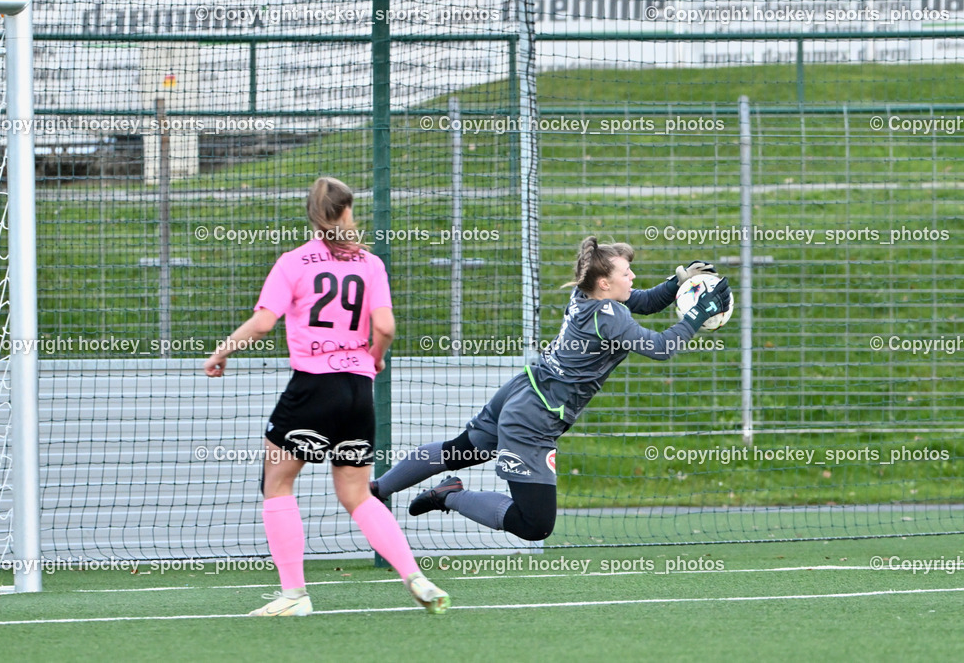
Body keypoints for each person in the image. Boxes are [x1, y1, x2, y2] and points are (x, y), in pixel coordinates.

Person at [370, 236, 730, 542]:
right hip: (535, 416)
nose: (632, 276)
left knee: (460, 451)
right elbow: (661, 348)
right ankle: (451, 497)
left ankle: (377, 490)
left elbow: (646, 302)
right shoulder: (609, 315)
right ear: (604, 282)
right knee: (535, 524)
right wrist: (697, 314)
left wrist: (678, 281)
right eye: (626, 272)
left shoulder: (586, 297)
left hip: (521, 390)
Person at [204, 177, 449, 616]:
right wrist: (374, 358)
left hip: (313, 386)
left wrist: (222, 351)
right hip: (358, 391)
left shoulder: (294, 262)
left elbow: (263, 324)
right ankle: (415, 576)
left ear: (313, 216)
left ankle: (294, 595)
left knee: (277, 483)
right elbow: (386, 328)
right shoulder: (370, 264)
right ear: (349, 210)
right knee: (357, 495)